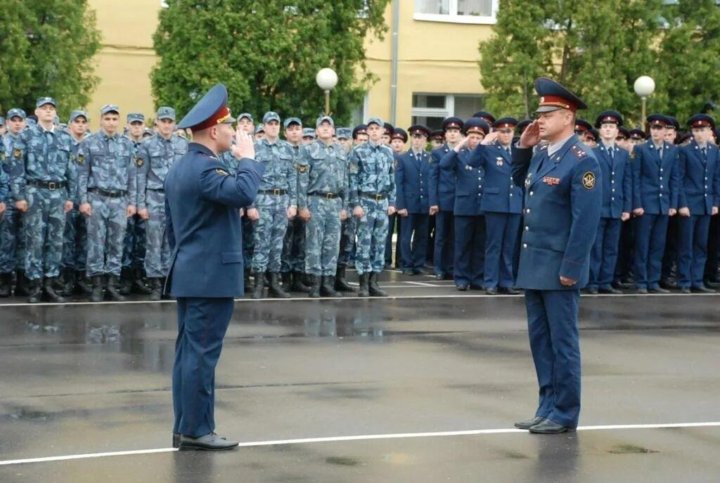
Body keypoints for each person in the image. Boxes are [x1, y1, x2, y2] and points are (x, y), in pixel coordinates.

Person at [166, 83, 263, 451]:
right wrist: (249, 159)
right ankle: (196, 431)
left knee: (189, 355)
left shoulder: (182, 168)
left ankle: (186, 426)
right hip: (209, 278)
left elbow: (174, 230)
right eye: (228, 127)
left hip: (192, 273)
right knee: (201, 357)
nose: (232, 133)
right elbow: (243, 193)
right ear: (212, 131)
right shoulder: (207, 170)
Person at [511, 77, 601, 434]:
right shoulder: (544, 156)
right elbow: (521, 182)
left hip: (559, 267)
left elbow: (586, 222)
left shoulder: (582, 160)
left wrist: (572, 268)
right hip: (535, 265)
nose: (540, 120)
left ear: (568, 117)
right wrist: (522, 146)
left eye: (547, 114)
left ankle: (565, 412)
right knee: (541, 341)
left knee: (563, 343)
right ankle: (546, 406)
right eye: (539, 113)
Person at [9, 97, 75, 303]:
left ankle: (50, 282)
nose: (48, 112)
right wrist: (19, 196)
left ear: (55, 113)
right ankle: (35, 285)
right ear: (36, 112)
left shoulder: (65, 138)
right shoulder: (26, 136)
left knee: (56, 241)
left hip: (58, 194)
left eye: (51, 109)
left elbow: (72, 170)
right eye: (44, 109)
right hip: (34, 192)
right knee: (35, 240)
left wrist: (71, 196)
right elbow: (17, 168)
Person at [77, 105, 138, 302]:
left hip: (119, 199)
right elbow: (82, 173)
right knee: (96, 242)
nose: (111, 122)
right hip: (97, 198)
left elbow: (132, 175)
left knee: (117, 243)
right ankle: (96, 285)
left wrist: (132, 201)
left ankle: (112, 284)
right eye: (107, 118)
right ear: (101, 120)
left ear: (118, 122)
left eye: (114, 119)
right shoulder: (89, 143)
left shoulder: (126, 144)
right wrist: (83, 200)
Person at [137, 107, 188, 300]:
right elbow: (140, 176)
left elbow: (186, 174)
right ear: (156, 123)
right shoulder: (147, 145)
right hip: (155, 197)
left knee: (173, 243)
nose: (166, 125)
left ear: (174, 124)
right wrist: (141, 204)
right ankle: (155, 283)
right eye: (163, 121)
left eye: (170, 121)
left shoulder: (183, 145)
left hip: (176, 199)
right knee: (154, 242)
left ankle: (170, 281)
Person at [469, 117, 524, 294]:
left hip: (514, 202)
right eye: (502, 131)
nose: (506, 134)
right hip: (495, 204)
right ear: (496, 133)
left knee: (509, 246)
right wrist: (483, 143)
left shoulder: (519, 150)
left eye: (509, 131)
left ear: (513, 132)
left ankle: (506, 282)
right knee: (494, 245)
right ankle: (491, 281)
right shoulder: (489, 150)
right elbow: (472, 161)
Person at [297, 116, 349, 297]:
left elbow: (346, 181)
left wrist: (345, 206)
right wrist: (302, 206)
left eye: (329, 126)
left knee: (332, 245)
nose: (326, 129)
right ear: (317, 130)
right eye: (322, 126)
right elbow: (302, 181)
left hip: (335, 202)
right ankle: (315, 283)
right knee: (314, 243)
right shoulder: (308, 150)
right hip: (315, 201)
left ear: (333, 130)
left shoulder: (341, 151)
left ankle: (328, 282)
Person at [248, 112, 297, 299]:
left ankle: (274, 282)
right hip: (263, 200)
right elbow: (249, 177)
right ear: (264, 126)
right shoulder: (255, 148)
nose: (274, 126)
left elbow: (292, 177)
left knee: (278, 244)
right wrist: (251, 205)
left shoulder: (286, 148)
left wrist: (293, 203)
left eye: (276, 123)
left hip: (282, 200)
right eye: (270, 123)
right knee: (261, 242)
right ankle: (259, 283)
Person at [632, 114, 680, 294]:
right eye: (653, 128)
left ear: (666, 130)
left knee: (658, 245)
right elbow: (636, 178)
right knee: (643, 245)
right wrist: (637, 203)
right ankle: (641, 281)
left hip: (663, 204)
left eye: (660, 129)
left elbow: (674, 179)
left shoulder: (672, 150)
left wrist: (673, 204)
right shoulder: (641, 149)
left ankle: (653, 281)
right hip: (645, 204)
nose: (656, 132)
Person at [349, 117, 396, 296]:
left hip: (382, 202)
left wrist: (392, 202)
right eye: (371, 128)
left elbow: (392, 179)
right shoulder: (358, 152)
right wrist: (355, 204)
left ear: (383, 131)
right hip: (365, 202)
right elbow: (352, 180)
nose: (374, 131)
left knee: (379, 243)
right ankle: (363, 283)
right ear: (367, 132)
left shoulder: (387, 152)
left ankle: (374, 282)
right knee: (364, 242)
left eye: (378, 128)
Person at [439, 118, 488, 290]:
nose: (474, 140)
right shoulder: (460, 154)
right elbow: (444, 165)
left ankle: (477, 278)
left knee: (479, 245)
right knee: (462, 245)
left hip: (482, 206)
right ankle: (461, 278)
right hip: (464, 206)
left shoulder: (485, 154)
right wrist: (459, 146)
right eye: (471, 137)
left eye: (478, 137)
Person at [587, 111, 632, 294]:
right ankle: (593, 282)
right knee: (596, 247)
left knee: (611, 248)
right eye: (605, 126)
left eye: (611, 127)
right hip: (598, 207)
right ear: (599, 130)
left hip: (616, 207)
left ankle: (606, 281)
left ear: (617, 131)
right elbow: (588, 182)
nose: (608, 129)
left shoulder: (622, 154)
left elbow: (626, 181)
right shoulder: (592, 152)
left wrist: (627, 207)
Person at [676, 114, 720, 293]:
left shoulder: (714, 151)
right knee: (686, 245)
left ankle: (697, 280)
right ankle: (685, 281)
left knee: (701, 244)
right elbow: (679, 179)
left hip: (706, 203)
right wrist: (683, 204)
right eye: (696, 130)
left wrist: (716, 201)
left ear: (710, 131)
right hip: (690, 204)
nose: (699, 134)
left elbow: (716, 179)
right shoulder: (685, 151)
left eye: (703, 130)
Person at [395, 125, 432, 275]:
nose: (417, 141)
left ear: (425, 140)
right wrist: (401, 205)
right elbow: (399, 183)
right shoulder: (403, 158)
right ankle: (406, 264)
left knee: (422, 236)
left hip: (424, 204)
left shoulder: (429, 158)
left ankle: (418, 263)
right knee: (405, 236)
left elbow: (431, 181)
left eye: (420, 138)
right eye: (415, 137)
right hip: (408, 204)